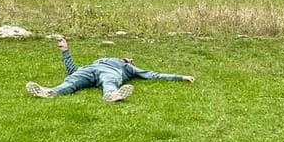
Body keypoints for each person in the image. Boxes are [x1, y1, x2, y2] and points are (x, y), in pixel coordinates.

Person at [25, 37, 195, 103]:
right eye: (127, 58)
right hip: (89, 69)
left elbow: (152, 74)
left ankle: (112, 95)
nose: (129, 59)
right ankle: (50, 92)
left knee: (109, 81)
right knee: (73, 80)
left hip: (111, 73)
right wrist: (65, 51)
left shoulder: (128, 68)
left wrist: (180, 77)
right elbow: (72, 70)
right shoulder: (99, 60)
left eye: (130, 60)